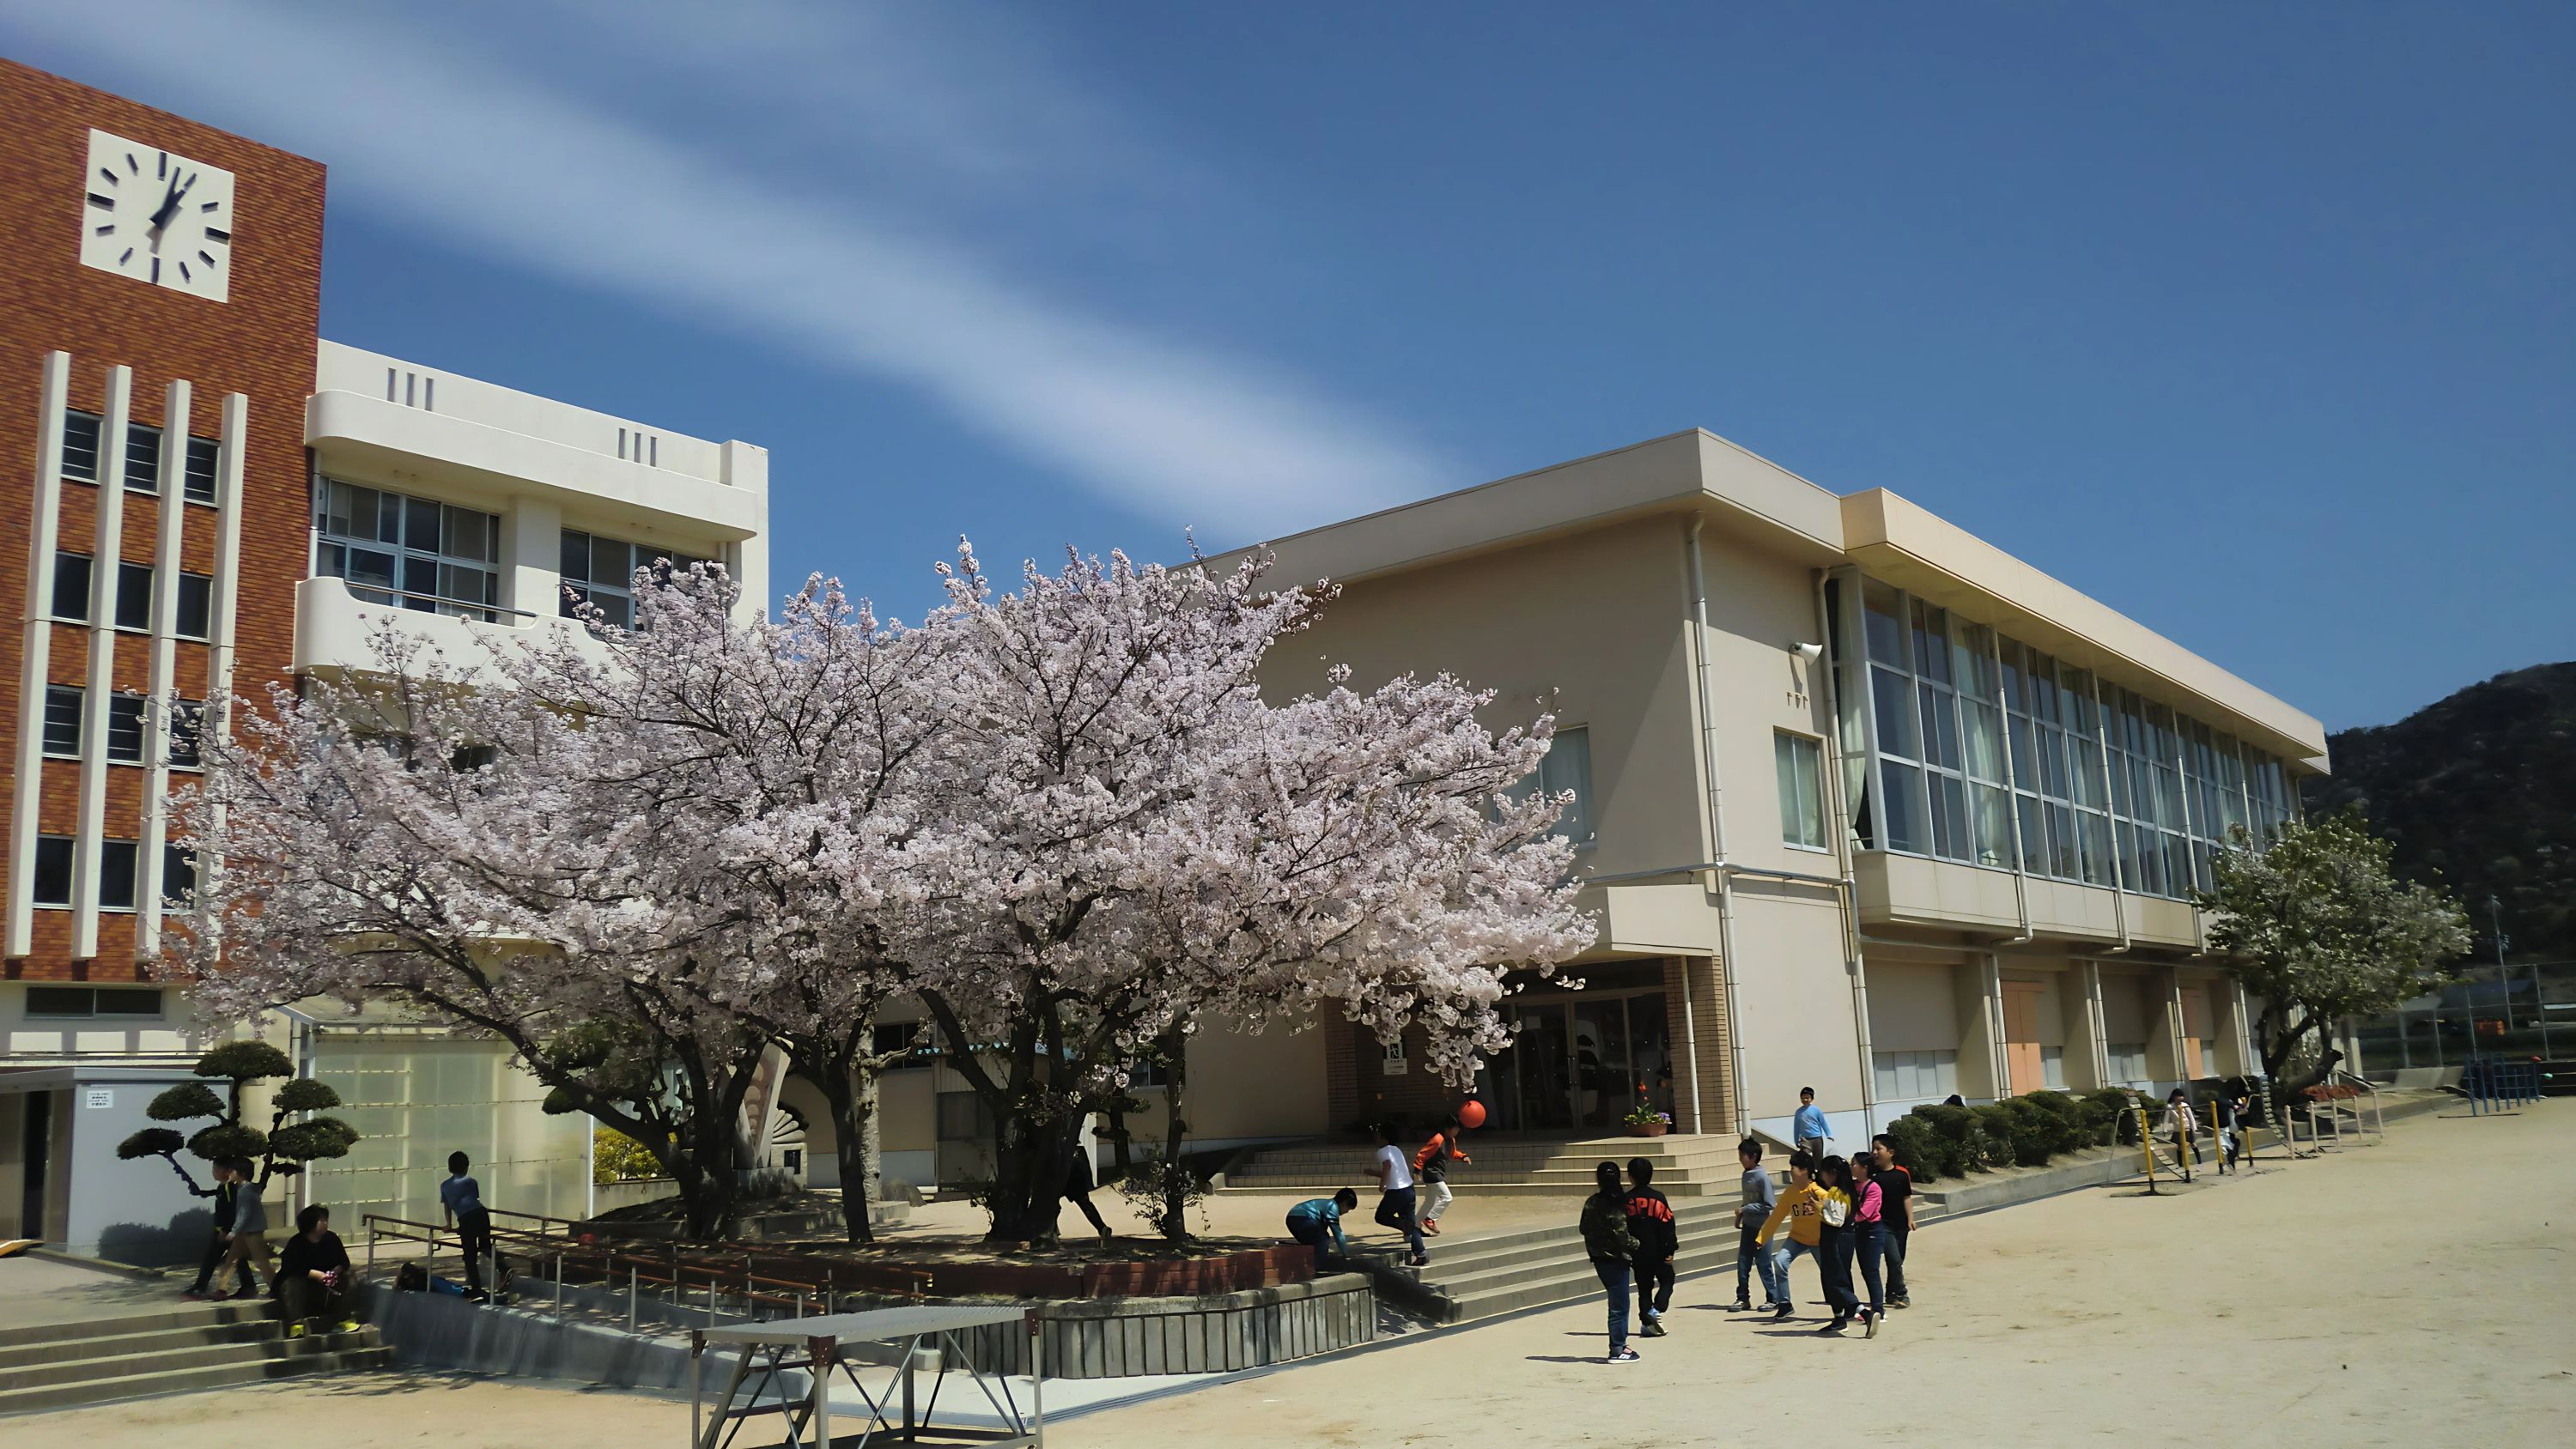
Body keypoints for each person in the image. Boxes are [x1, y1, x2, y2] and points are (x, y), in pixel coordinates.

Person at [1580, 1161, 1642, 1363]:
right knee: (1619, 1305)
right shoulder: (1617, 1204)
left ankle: (1619, 1345)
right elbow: (1621, 1235)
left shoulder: (1592, 1202)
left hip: (1598, 1257)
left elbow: (1583, 1228)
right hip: (1616, 1259)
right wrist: (1637, 1244)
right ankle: (1617, 1348)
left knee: (1617, 1302)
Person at [1754, 1149, 1826, 1323]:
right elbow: (1776, 1217)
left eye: (1793, 1167)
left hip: (1819, 1241)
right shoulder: (1790, 1193)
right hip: (1797, 1238)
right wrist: (1761, 1238)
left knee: (1830, 1274)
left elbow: (1834, 1213)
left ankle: (1844, 1305)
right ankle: (1785, 1304)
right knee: (1780, 1262)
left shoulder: (1819, 1192)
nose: (1790, 1171)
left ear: (1805, 1170)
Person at [277, 1203, 357, 1337]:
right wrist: (315, 1275)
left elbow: (344, 1262)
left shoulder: (332, 1238)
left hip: (328, 1286)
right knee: (292, 1283)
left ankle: (343, 1319)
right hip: (304, 1287)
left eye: (326, 1220)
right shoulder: (296, 1243)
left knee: (350, 1276)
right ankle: (296, 1325)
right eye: (322, 1220)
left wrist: (335, 1272)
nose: (325, 1223)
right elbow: (289, 1268)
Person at [182, 1159, 254, 1301]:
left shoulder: (230, 1188)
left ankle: (200, 1288)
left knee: (212, 1259)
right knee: (236, 1259)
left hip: (227, 1231)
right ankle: (248, 1287)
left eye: (215, 1168)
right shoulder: (225, 1187)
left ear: (226, 1172)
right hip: (228, 1230)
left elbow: (231, 1210)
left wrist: (225, 1230)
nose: (213, 1172)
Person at [441, 1150, 507, 1299]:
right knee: (485, 1246)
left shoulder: (445, 1186)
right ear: (466, 1168)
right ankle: (504, 1268)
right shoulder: (472, 1182)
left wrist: (449, 1225)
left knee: (469, 1256)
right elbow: (473, 1201)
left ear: (450, 1168)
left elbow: (448, 1207)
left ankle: (477, 1289)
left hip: (466, 1219)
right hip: (481, 1215)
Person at [1625, 1158, 1678, 1337]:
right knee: (1668, 1280)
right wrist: (1670, 1249)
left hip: (1638, 1253)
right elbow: (1668, 1225)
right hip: (1659, 1250)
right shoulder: (1658, 1198)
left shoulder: (1627, 1200)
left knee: (1644, 1288)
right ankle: (1657, 1309)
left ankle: (1647, 1323)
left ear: (1631, 1177)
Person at [1731, 1138, 1785, 1312]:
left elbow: (1769, 1204)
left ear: (1753, 1156)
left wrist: (1745, 1209)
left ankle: (1773, 1298)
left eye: (1743, 1155)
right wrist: (1741, 1215)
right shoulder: (1746, 1174)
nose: (1740, 1159)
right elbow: (1748, 1199)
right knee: (1743, 1263)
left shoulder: (1762, 1177)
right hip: (1748, 1226)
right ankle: (1742, 1298)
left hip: (1763, 1228)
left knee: (1763, 1263)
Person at [1812, 1155, 1859, 1336]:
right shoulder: (1846, 1190)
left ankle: (1862, 1311)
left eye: (1823, 1171)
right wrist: (1821, 1205)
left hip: (1835, 1240)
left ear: (1832, 1173)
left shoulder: (1836, 1192)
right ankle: (1839, 1318)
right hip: (1843, 1238)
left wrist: (1819, 1210)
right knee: (1833, 1279)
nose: (1821, 1175)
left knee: (1836, 1281)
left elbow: (1836, 1219)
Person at [216, 1159, 276, 1300]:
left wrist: (234, 1231)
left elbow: (244, 1213)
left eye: (232, 1170)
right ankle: (221, 1289)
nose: (229, 1173)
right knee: (231, 1259)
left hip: (252, 1232)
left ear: (241, 1173)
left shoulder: (245, 1191)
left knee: (261, 1262)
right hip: (246, 1232)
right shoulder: (247, 1189)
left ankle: (276, 1288)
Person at [1370, 1123, 1428, 1267]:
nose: (1375, 1138)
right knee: (1412, 1223)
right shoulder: (1396, 1150)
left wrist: (1382, 1185)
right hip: (1409, 1189)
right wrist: (1372, 1173)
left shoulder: (1383, 1151)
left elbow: (1387, 1166)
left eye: (1378, 1135)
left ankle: (1404, 1226)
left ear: (1384, 1138)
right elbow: (1393, 1172)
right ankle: (1421, 1253)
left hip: (1396, 1192)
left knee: (1381, 1216)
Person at [1870, 1134, 1915, 1308]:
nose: (1874, 1153)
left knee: (1897, 1261)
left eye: (1878, 1149)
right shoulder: (1872, 1175)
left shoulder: (1902, 1174)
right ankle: (1902, 1293)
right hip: (1882, 1224)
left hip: (1901, 1224)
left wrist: (1910, 1219)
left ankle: (1891, 1293)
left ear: (1891, 1152)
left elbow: (1907, 1198)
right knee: (1894, 1259)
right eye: (1873, 1149)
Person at [1412, 1114, 1473, 1236]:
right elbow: (1423, 1153)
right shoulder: (1437, 1139)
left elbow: (1452, 1153)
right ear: (1447, 1128)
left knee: (1429, 1202)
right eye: (1455, 1130)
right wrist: (1417, 1169)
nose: (1456, 1132)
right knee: (1447, 1197)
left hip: (1438, 1172)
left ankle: (1415, 1228)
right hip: (1432, 1172)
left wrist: (1463, 1157)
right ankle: (1430, 1219)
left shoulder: (1451, 1140)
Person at [1848, 1152, 1886, 1338]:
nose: (1851, 1167)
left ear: (1865, 1167)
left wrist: (1844, 1220)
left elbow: (1865, 1213)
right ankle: (1871, 1309)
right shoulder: (1852, 1185)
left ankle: (1879, 1309)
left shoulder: (1874, 1188)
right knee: (1865, 1270)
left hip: (1872, 1231)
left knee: (1872, 1270)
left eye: (1854, 1164)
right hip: (1858, 1231)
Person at [1285, 1188, 1360, 1272]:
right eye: (1348, 1209)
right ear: (1344, 1203)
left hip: (1292, 1218)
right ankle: (1319, 1268)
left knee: (1314, 1241)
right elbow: (1337, 1232)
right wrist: (1345, 1253)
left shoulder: (1326, 1204)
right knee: (1323, 1238)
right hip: (1302, 1218)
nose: (1347, 1212)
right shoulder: (1332, 1207)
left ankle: (1309, 1265)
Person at [1061, 1150, 1114, 1246]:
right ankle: (1102, 1228)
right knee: (1085, 1204)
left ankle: (1051, 1231)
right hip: (1073, 1174)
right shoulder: (1076, 1150)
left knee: (1050, 1204)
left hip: (1063, 1175)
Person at [2166, 1088, 2198, 1183]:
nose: (2180, 1100)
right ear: (2174, 1097)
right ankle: (2180, 1165)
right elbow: (2166, 1118)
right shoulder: (2170, 1107)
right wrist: (2165, 1129)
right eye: (2178, 1098)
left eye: (2181, 1097)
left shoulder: (2185, 1105)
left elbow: (2191, 1117)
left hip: (2187, 1128)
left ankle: (2199, 1163)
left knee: (2193, 1144)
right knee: (2179, 1146)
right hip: (2178, 1130)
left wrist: (2194, 1128)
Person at [1793, 1087, 1830, 1164]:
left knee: (1818, 1158)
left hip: (1817, 1138)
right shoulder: (1799, 1112)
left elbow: (1823, 1122)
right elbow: (1796, 1127)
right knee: (1805, 1158)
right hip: (1805, 1139)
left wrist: (1828, 1134)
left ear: (1812, 1099)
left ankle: (1819, 1171)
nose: (1805, 1100)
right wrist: (1796, 1140)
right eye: (1803, 1098)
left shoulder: (1816, 1110)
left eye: (1807, 1098)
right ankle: (1808, 1171)